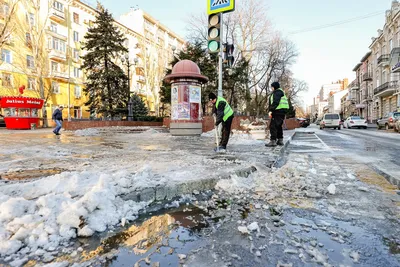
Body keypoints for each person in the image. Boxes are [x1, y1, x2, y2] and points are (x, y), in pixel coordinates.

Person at [266, 82, 289, 147]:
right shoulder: (281, 92)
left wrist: (271, 110)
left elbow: (275, 102)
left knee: (273, 126)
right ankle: (280, 140)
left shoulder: (277, 92)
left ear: (275, 87)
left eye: (272, 87)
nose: (272, 88)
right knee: (278, 126)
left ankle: (273, 141)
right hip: (281, 111)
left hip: (277, 111)